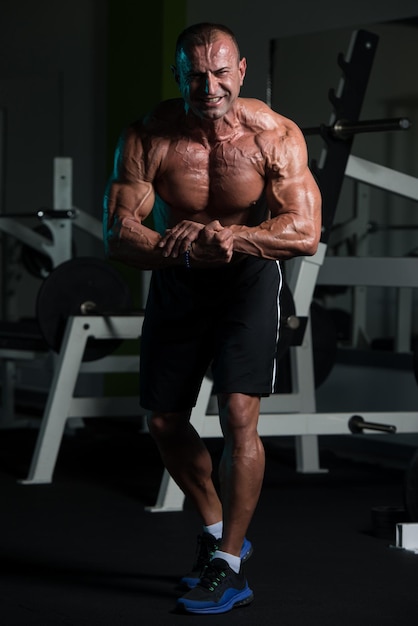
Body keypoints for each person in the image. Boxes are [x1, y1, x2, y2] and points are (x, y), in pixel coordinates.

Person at [103, 22, 321, 615]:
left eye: (221, 73)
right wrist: (174, 247)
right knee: (164, 422)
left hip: (248, 279)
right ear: (178, 76)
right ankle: (215, 532)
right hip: (179, 277)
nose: (210, 86)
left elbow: (304, 232)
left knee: (236, 411)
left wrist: (232, 237)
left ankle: (229, 564)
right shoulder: (149, 137)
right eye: (196, 75)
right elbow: (118, 235)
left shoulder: (274, 134)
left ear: (241, 71)